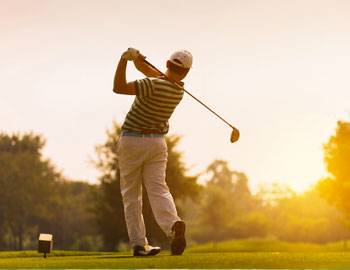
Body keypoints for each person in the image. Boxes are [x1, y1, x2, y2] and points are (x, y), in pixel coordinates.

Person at [113, 48, 193, 256]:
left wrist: (123, 60)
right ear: (185, 73)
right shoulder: (178, 90)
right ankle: (173, 225)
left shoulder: (151, 84)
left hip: (132, 141)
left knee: (131, 194)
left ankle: (139, 244)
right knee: (159, 189)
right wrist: (138, 61)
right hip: (157, 144)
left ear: (167, 63)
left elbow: (118, 87)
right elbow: (152, 74)